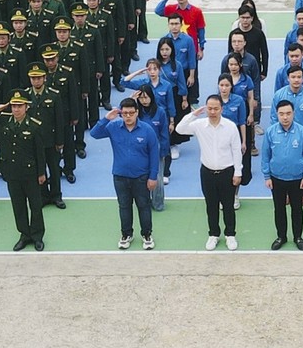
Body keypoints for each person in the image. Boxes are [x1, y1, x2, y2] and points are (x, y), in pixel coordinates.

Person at [92, 97, 163, 250]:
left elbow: (154, 155)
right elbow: (94, 134)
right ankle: (126, 234)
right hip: (120, 176)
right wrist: (106, 118)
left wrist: (153, 177)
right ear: (120, 114)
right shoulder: (114, 127)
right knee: (124, 206)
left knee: (143, 206)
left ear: (137, 112)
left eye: (131, 113)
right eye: (124, 113)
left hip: (141, 177)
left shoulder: (147, 130)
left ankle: (147, 234)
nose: (128, 116)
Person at [178, 95, 245, 251]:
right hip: (207, 173)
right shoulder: (199, 125)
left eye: (216, 108)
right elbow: (179, 129)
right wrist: (193, 114)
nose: (212, 111)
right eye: (209, 108)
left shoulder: (230, 126)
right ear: (205, 108)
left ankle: (230, 235)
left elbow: (236, 150)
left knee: (228, 206)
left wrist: (238, 172)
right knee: (211, 205)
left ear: (222, 109)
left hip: (227, 172)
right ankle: (213, 234)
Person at [0, 90, 49, 252]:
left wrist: (41, 173)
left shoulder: (35, 126)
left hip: (30, 172)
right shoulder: (4, 122)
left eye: (19, 106)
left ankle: (37, 236)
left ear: (26, 107)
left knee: (35, 206)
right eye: (14, 106)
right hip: (12, 172)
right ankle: (24, 235)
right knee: (18, 205)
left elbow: (40, 152)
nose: (16, 109)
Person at [263, 99, 303, 250]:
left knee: (297, 209)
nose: (285, 117)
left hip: (297, 179)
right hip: (276, 178)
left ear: (294, 114)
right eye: (281, 114)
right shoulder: (270, 132)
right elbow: (266, 155)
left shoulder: (302, 132)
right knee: (279, 209)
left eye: (288, 113)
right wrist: (267, 176)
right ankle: (281, 236)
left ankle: (298, 237)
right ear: (277, 115)